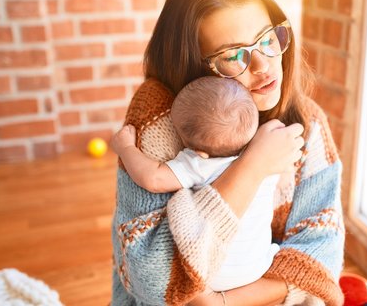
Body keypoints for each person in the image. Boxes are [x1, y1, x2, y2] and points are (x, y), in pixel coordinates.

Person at [111, 0, 345, 306]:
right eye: (233, 56)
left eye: (268, 39)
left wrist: (221, 301)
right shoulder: (160, 116)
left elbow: (323, 253)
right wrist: (252, 167)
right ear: (191, 66)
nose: (263, 66)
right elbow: (154, 278)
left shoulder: (305, 122)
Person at [110, 76, 282, 292]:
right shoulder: (268, 154)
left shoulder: (199, 162)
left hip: (213, 274)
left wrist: (126, 148)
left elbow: (152, 178)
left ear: (198, 151)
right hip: (258, 266)